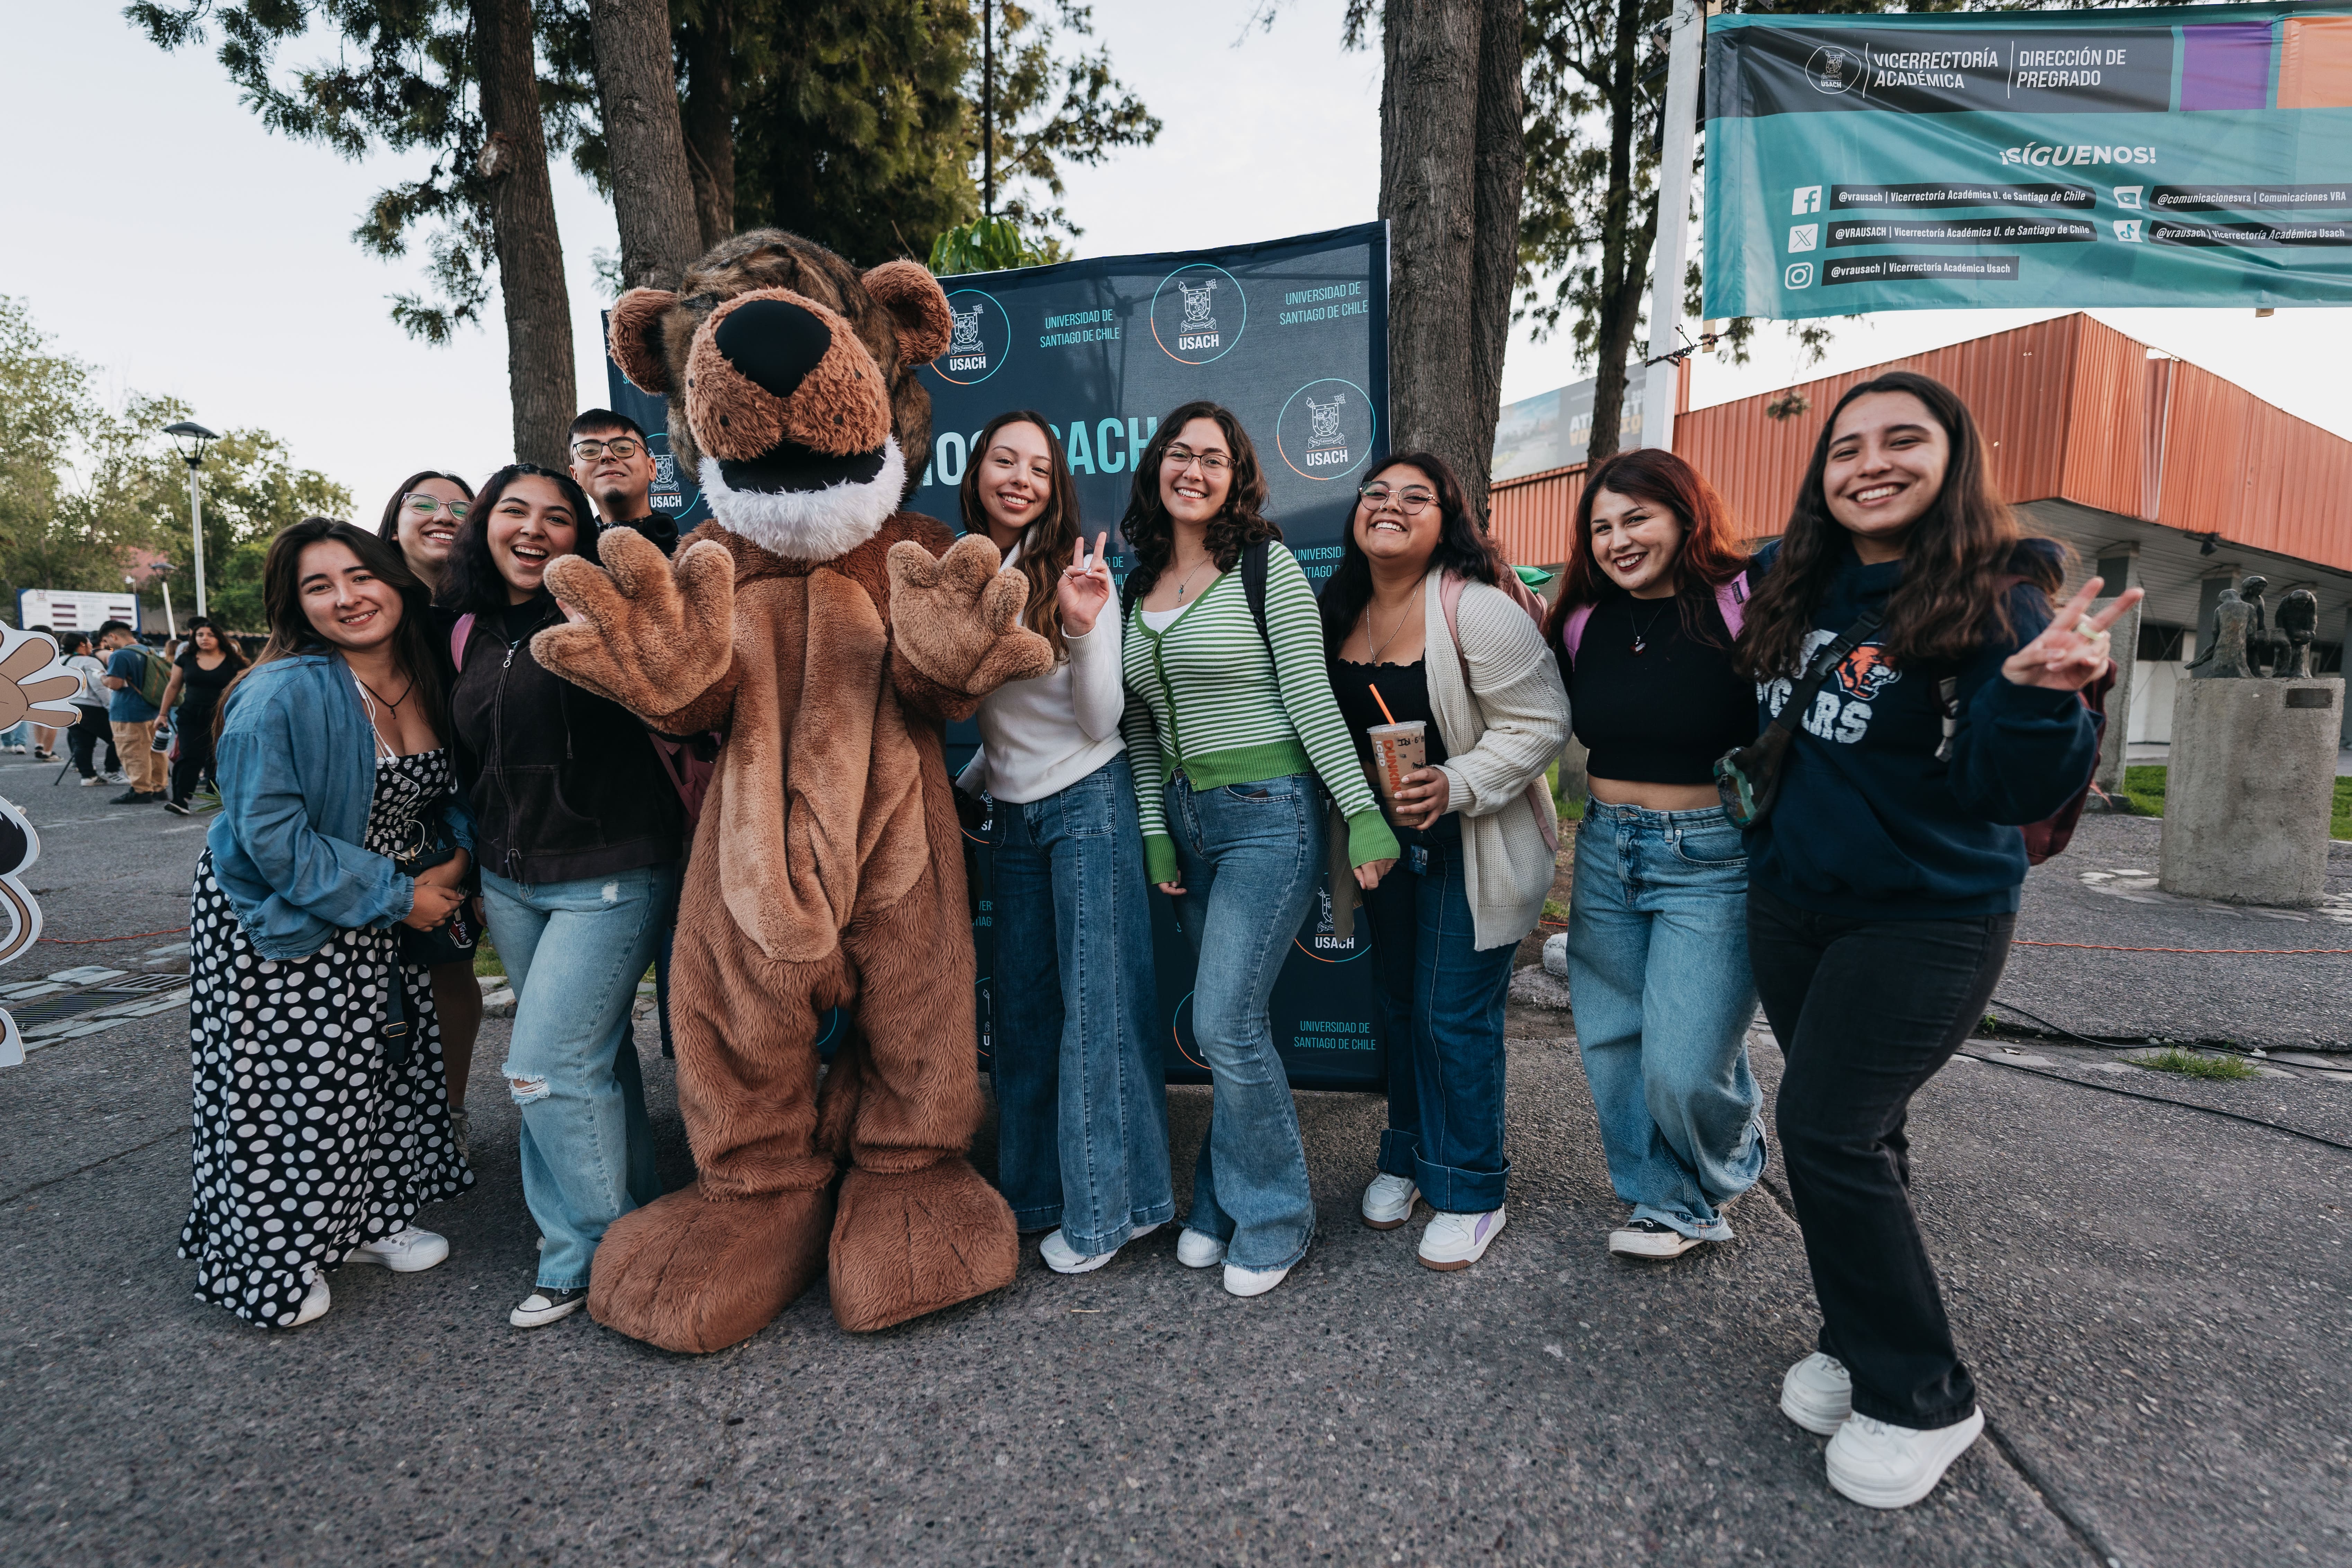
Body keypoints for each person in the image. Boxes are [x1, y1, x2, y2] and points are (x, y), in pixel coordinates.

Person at [1732, 371, 2138, 1509]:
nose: (1870, 462)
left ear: (1953, 459)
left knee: (1822, 1127)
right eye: (1846, 446)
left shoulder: (2000, 598)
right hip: (1792, 902)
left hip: (1927, 917)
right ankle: (1854, 1332)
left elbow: (2004, 788)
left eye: (1902, 440)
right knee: (1863, 1132)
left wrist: (2039, 696)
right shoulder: (1791, 579)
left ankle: (1922, 1393)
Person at [1119, 400, 1400, 1299]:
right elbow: (1139, 727)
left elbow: (1311, 696)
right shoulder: (1135, 584)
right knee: (1234, 1023)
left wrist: (1358, 811)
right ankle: (1214, 1201)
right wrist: (1155, 831)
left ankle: (1276, 1217)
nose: (1193, 469)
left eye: (1213, 458)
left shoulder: (1263, 565)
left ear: (1235, 477)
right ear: (1157, 467)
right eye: (1180, 452)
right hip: (1189, 822)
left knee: (1222, 1025)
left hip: (1268, 814)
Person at [181, 517, 474, 1329]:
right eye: (319, 585)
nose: (346, 597)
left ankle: (366, 1222)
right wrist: (399, 896)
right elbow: (271, 838)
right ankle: (272, 1262)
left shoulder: (427, 672)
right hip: (281, 917)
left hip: (374, 907)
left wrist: (453, 860)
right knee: (284, 1091)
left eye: (360, 575)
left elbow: (450, 792)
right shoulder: (280, 691)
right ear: (295, 605)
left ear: (395, 580)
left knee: (375, 1072)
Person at [441, 463, 685, 1330]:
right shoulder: (464, 629)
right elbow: (468, 762)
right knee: (592, 1062)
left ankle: (596, 1255)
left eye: (556, 516)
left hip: (610, 870)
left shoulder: (603, 609)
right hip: (511, 880)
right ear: (485, 525)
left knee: (541, 1067)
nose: (533, 528)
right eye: (514, 511)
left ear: (579, 536)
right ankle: (633, 1219)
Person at [1321, 453, 1568, 1272]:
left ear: (1446, 521)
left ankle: (1470, 1186)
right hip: (1386, 845)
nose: (1389, 505)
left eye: (1414, 496)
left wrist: (1455, 782)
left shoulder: (1477, 609)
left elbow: (1543, 721)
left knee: (1451, 1015)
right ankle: (1408, 1150)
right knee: (1400, 1006)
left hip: (1476, 841)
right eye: (1376, 492)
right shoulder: (1340, 605)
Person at [956, 411, 1170, 1275]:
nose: (1020, 478)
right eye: (1004, 460)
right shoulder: (962, 572)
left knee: (1097, 1010)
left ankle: (1110, 1211)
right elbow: (1004, 727)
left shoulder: (1076, 571)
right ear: (977, 472)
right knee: (1023, 1015)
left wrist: (1082, 625)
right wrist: (964, 786)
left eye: (1038, 468)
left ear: (1056, 486)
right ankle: (1039, 1195)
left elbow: (1096, 719)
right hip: (1011, 817)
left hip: (1088, 803)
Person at [1542, 448, 1767, 1262]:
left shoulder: (1743, 601)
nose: (1617, 540)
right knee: (1613, 1041)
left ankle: (1729, 1153)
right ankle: (1665, 1200)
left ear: (1685, 514)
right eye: (1601, 527)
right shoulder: (1581, 620)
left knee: (1684, 1062)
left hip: (1712, 855)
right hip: (1607, 847)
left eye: (1637, 518)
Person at [375, 470, 487, 1151]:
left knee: (448, 967)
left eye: (460, 507)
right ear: (394, 527)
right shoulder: (365, 608)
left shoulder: (485, 613)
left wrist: (464, 854)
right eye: (425, 503)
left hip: (451, 828)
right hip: (365, 831)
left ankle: (449, 1112)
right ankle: (372, 1124)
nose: (443, 514)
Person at [158, 618, 245, 814]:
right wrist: (162, 714)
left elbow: (243, 690)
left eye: (210, 635)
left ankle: (217, 796)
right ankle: (181, 799)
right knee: (189, 755)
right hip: (191, 714)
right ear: (194, 638)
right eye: (200, 635)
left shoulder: (234, 661)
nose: (205, 639)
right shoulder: (186, 659)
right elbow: (173, 686)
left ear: (220, 638)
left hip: (223, 716)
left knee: (219, 756)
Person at [567, 410, 672, 553]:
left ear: (651, 469)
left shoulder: (691, 557)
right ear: (576, 476)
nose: (606, 455)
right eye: (590, 451)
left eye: (623, 448)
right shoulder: (572, 561)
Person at [98, 620, 167, 803]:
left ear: (113, 636)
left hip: (128, 712)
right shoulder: (149, 651)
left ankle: (141, 791)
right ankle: (159, 788)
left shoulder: (120, 655)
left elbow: (115, 684)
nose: (107, 645)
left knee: (133, 752)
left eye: (106, 641)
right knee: (156, 751)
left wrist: (102, 677)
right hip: (153, 710)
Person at [61, 633, 120, 786]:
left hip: (69, 707)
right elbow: (100, 688)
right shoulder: (90, 662)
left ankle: (88, 776)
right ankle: (112, 771)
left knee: (82, 743)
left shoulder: (61, 661)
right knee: (118, 738)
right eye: (88, 643)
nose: (91, 646)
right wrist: (110, 707)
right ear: (82, 644)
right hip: (91, 708)